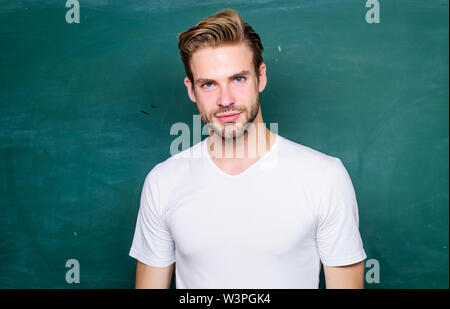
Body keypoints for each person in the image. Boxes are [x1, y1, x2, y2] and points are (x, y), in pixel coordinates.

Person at [129, 8, 367, 289]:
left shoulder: (324, 177)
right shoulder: (163, 181)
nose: (225, 99)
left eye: (238, 79)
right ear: (191, 90)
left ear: (260, 77)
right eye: (208, 84)